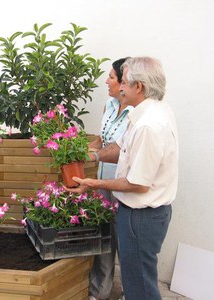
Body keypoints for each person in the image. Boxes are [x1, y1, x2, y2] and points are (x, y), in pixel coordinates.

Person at [66, 57, 178, 300]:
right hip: (142, 215)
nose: (119, 87)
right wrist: (92, 157)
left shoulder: (147, 126)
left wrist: (93, 183)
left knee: (140, 287)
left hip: (141, 216)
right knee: (137, 278)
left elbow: (137, 183)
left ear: (139, 87)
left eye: (124, 82)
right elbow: (121, 148)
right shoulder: (153, 111)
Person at [87, 57, 133, 300]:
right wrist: (77, 149)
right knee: (104, 238)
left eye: (112, 77)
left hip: (124, 187)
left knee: (126, 244)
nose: (107, 81)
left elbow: (120, 150)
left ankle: (129, 293)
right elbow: (102, 140)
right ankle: (100, 292)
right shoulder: (110, 105)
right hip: (103, 185)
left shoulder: (136, 113)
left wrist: (94, 155)